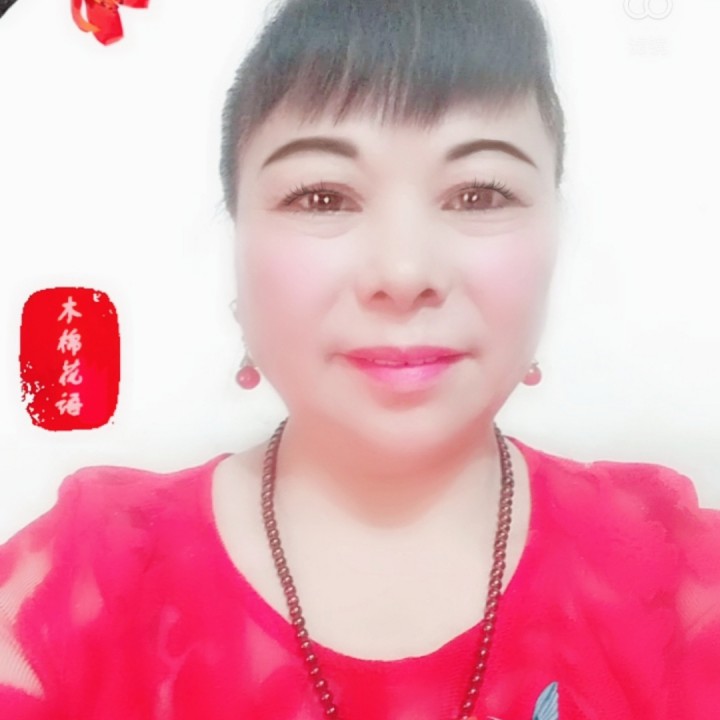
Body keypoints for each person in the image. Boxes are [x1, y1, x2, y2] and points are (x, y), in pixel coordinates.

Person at [1, 0, 719, 718]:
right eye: (322, 197)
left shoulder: (675, 586)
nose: (404, 272)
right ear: (238, 240)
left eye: (479, 194)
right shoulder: (78, 593)